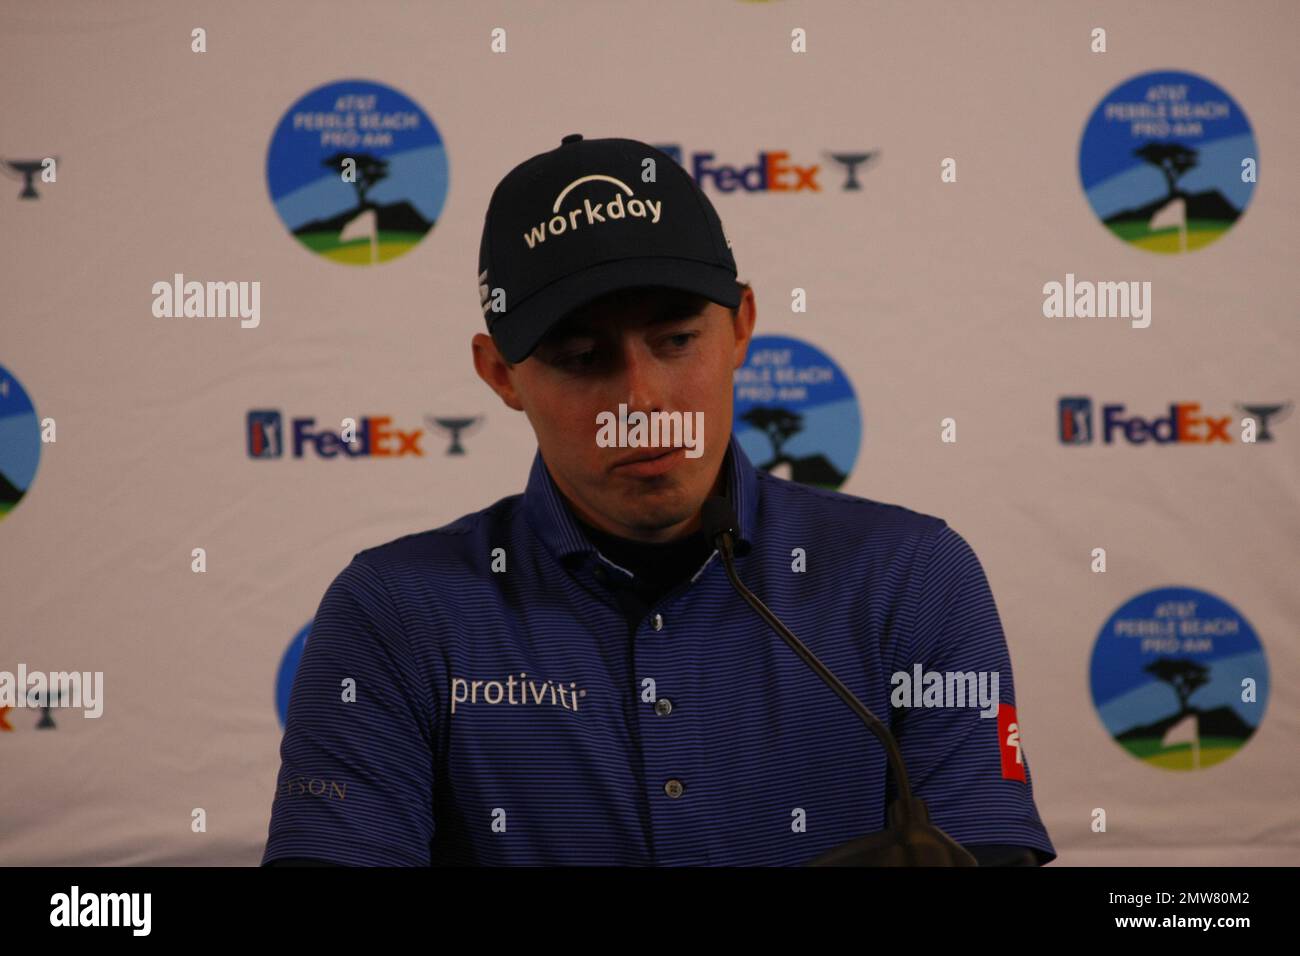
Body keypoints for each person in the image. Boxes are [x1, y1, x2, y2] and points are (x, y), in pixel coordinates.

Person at [262, 134, 1055, 866]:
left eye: (676, 341)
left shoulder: (909, 580)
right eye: (582, 358)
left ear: (743, 325)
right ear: (500, 374)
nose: (641, 401)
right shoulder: (396, 613)